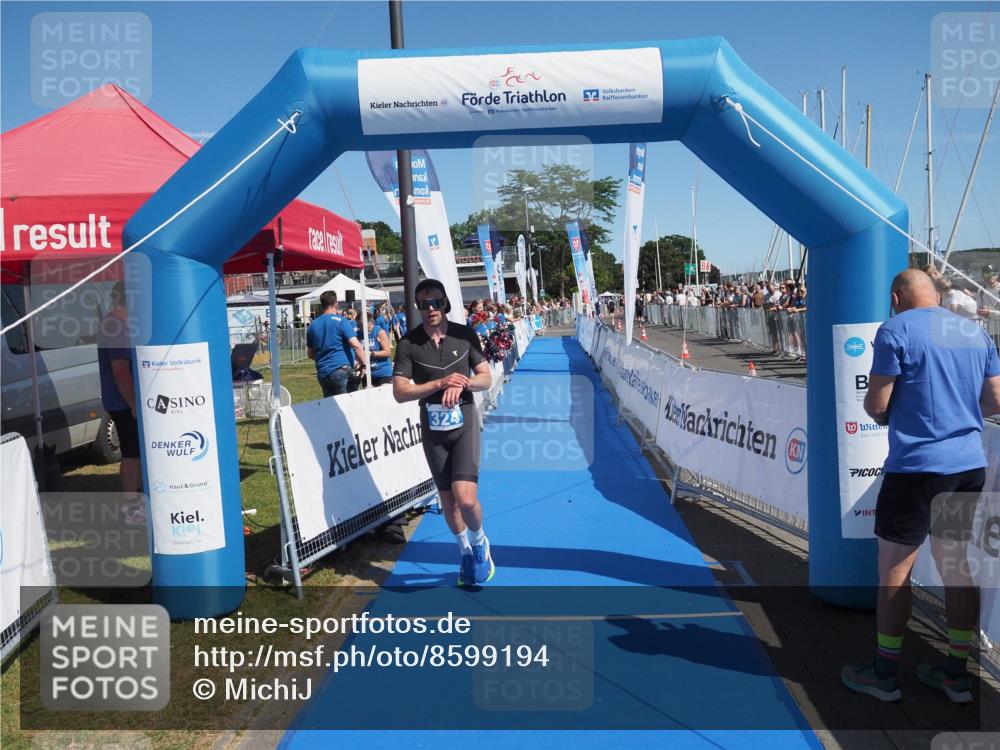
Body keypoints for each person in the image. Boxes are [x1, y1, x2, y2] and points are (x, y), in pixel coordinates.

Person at [842, 269, 1000, 704]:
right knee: (956, 566)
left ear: (897, 297)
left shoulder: (894, 331)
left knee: (894, 568)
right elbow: (995, 401)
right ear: (937, 294)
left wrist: (896, 415)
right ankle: (955, 676)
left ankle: (886, 674)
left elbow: (877, 404)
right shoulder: (975, 332)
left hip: (916, 469)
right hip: (967, 465)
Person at [392, 278, 495, 586]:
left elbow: (486, 378)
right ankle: (464, 552)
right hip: (433, 429)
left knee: (465, 499)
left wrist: (462, 382)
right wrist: (439, 384)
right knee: (448, 501)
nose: (431, 309)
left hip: (463, 424)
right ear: (417, 307)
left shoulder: (465, 336)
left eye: (436, 302)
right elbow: (400, 392)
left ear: (446, 302)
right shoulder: (409, 343)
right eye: (424, 304)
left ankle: (479, 543)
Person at [97, 281, 144, 525]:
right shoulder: (116, 326)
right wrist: (134, 403)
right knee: (132, 453)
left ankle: (136, 504)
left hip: (126, 401)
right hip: (123, 402)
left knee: (135, 452)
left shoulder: (120, 324)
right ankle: (131, 508)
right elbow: (120, 371)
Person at [306, 291, 366, 397]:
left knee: (331, 407)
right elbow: (356, 345)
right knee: (346, 406)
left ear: (322, 305)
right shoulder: (341, 321)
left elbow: (310, 354)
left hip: (323, 372)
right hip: (341, 369)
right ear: (336, 304)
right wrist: (364, 365)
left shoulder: (312, 326)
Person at [367, 308, 394, 386]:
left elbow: (388, 352)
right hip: (368, 374)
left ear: (371, 322)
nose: (360, 326)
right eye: (358, 324)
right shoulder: (359, 333)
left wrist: (371, 353)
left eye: (362, 324)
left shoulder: (379, 322)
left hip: (383, 373)